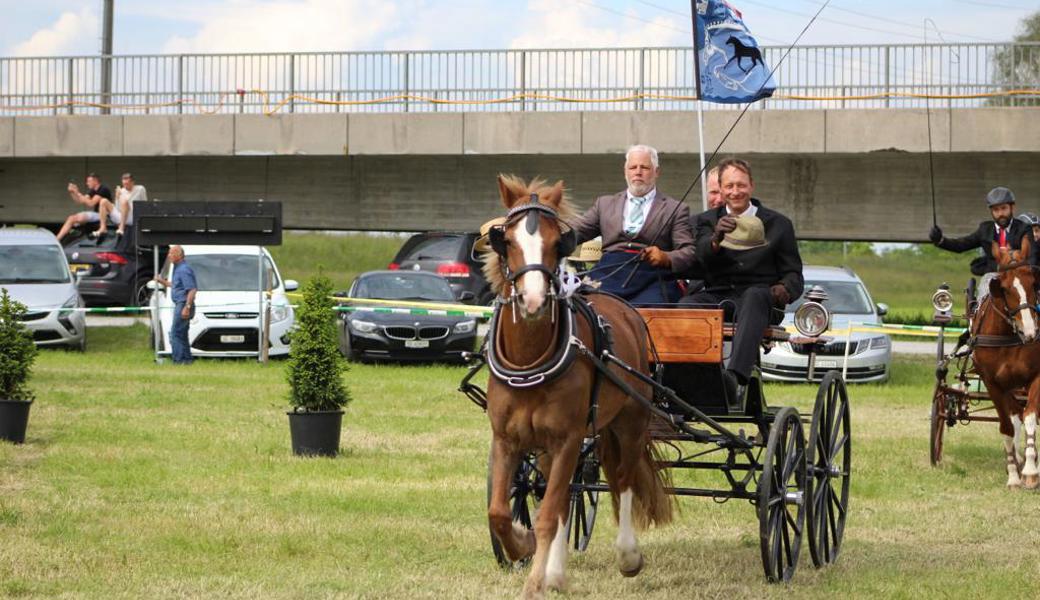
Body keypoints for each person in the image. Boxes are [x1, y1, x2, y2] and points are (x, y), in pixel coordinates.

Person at [680, 158, 804, 390]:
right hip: (718, 295)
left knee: (755, 295)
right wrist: (715, 239)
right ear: (721, 188)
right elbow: (697, 261)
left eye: (741, 185)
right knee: (686, 305)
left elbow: (794, 274)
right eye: (729, 186)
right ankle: (694, 377)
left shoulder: (779, 224)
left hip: (761, 300)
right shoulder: (705, 221)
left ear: (751, 186)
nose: (735, 192)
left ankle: (734, 377)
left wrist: (784, 289)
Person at [568, 144, 696, 304]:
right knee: (584, 305)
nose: (638, 172)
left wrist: (666, 257)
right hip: (609, 272)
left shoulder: (675, 208)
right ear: (625, 172)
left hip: (652, 276)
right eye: (633, 167)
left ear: (656, 172)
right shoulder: (604, 204)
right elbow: (576, 231)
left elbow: (689, 252)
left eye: (644, 167)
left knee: (651, 312)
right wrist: (547, 230)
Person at [929, 187, 1033, 276]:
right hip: (992, 276)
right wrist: (940, 240)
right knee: (983, 292)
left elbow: (1031, 257)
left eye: (1004, 208)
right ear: (991, 211)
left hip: (1019, 276)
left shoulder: (1024, 229)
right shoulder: (984, 229)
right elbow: (961, 245)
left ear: (1012, 207)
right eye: (996, 210)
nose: (1000, 213)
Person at [153, 246, 197, 364]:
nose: (169, 256)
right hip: (181, 303)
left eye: (171, 253)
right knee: (182, 334)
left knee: (175, 333)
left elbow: (192, 289)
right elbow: (177, 285)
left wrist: (187, 307)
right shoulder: (178, 268)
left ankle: (178, 360)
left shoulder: (184, 269)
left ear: (179, 255)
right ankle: (187, 360)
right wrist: (161, 281)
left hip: (183, 304)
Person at [56, 173, 113, 241]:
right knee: (71, 218)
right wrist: (72, 192)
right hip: (96, 214)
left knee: (73, 218)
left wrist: (77, 192)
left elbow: (91, 203)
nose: (87, 183)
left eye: (89, 181)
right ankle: (57, 240)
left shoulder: (103, 189)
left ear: (95, 181)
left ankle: (57, 240)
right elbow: (80, 201)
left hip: (104, 215)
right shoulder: (93, 190)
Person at [96, 173, 148, 237]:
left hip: (133, 216)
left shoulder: (140, 189)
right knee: (103, 201)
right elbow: (118, 208)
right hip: (121, 215)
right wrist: (117, 198)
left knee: (124, 201)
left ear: (132, 182)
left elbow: (145, 204)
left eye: (127, 183)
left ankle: (121, 228)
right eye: (124, 184)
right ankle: (103, 228)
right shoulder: (122, 190)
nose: (125, 186)